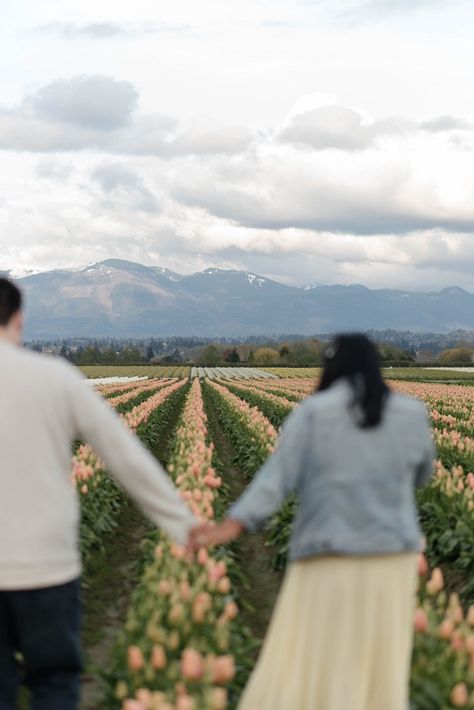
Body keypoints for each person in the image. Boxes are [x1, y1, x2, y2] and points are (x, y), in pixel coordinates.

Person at [191, 334, 435, 710]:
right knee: (379, 665)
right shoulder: (412, 413)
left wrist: (231, 525)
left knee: (318, 660)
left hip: (327, 554)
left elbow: (276, 482)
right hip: (392, 558)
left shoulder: (314, 412)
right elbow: (421, 477)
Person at [0, 278, 197, 710]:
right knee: (53, 680)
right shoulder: (53, 377)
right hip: (45, 567)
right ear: (18, 317)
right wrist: (184, 526)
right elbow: (125, 457)